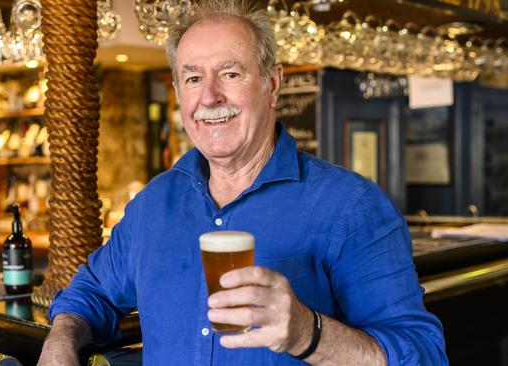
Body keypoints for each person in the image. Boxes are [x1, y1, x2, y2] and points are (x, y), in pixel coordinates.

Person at [38, 1, 448, 365]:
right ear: (179, 92)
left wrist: (308, 334)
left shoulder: (351, 205)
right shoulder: (154, 204)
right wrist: (61, 340)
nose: (210, 96)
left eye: (230, 73)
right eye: (193, 78)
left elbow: (424, 354)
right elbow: (88, 293)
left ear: (272, 84)